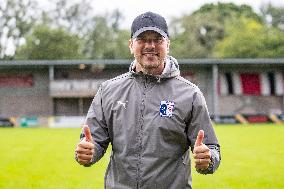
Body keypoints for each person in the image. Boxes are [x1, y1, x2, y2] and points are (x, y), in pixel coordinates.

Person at [75, 11, 221, 189]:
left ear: (167, 44)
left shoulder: (190, 94)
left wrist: (208, 159)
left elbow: (211, 148)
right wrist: (88, 152)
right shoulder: (109, 91)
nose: (150, 46)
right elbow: (93, 141)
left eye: (157, 40)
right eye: (142, 39)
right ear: (131, 45)